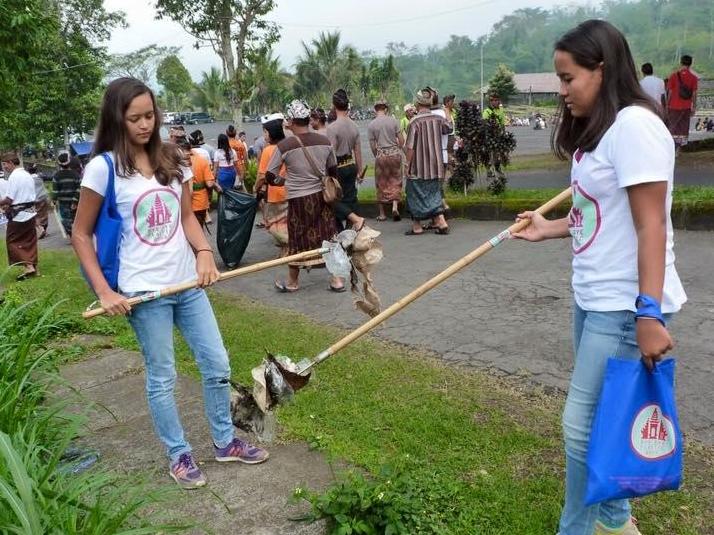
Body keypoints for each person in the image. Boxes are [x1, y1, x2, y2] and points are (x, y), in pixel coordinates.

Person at [513, 20, 685, 535]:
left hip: (625, 305)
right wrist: (550, 228)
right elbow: (600, 213)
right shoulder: (606, 131)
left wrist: (648, 312)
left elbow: (651, 223)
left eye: (569, 79)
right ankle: (616, 521)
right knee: (598, 423)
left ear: (602, 70)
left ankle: (577, 530)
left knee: (582, 429)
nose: (561, 91)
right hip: (593, 297)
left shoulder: (636, 126)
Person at [71, 77, 268, 490]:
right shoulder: (103, 167)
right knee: (163, 375)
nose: (145, 125)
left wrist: (204, 255)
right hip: (143, 293)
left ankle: (224, 441)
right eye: (134, 119)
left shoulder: (174, 160)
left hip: (186, 285)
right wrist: (106, 292)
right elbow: (80, 234)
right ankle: (178, 454)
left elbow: (187, 218)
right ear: (116, 120)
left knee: (217, 364)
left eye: (150, 116)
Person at [265, 99, 343, 292]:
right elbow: (333, 170)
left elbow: (270, 175)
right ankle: (336, 280)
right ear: (308, 119)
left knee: (297, 239)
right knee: (328, 236)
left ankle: (293, 282)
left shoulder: (284, 146)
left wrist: (284, 182)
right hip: (321, 196)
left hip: (298, 199)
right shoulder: (324, 142)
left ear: (291, 121)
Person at [403, 89, 450, 236]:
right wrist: (446, 110)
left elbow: (410, 147)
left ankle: (417, 226)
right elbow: (449, 128)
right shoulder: (438, 119)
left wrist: (407, 164)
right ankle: (441, 222)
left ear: (417, 104)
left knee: (414, 194)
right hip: (436, 166)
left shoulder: (414, 122)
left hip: (418, 167)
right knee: (434, 194)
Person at [326, 89, 365, 231]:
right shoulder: (354, 126)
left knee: (334, 200)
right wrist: (360, 171)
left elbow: (331, 154)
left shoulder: (332, 128)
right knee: (350, 198)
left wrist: (328, 174)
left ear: (334, 105)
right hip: (351, 165)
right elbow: (358, 151)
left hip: (339, 168)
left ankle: (344, 230)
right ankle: (351, 230)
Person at [254, 113, 289, 256]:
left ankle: (289, 244)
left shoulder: (268, 150)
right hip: (289, 190)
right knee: (286, 222)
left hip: (274, 193)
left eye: (265, 132)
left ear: (269, 133)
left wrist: (255, 188)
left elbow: (262, 175)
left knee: (273, 225)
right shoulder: (288, 145)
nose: (264, 135)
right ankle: (286, 248)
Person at [0, 151, 38, 280]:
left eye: (5, 164)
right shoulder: (27, 174)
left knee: (13, 241)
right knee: (29, 240)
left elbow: (9, 199)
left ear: (11, 163)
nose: (4, 167)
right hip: (31, 212)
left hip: (19, 215)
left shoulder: (14, 177)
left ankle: (29, 267)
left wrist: (2, 203)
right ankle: (32, 266)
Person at [367, 99, 404, 221]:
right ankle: (394, 205)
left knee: (381, 182)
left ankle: (382, 213)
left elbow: (373, 146)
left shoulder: (372, 125)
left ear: (375, 109)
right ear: (386, 109)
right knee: (396, 179)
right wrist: (395, 149)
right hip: (394, 154)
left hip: (381, 156)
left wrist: (377, 155)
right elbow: (402, 141)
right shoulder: (393, 121)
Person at [177, 135, 214, 229]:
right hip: (200, 203)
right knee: (198, 230)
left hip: (181, 205)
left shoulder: (174, 163)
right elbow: (209, 184)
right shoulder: (202, 160)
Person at [666, 55, 698, 148]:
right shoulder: (693, 78)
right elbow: (694, 94)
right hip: (686, 106)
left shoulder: (673, 76)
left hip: (674, 106)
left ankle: (672, 146)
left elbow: (670, 92)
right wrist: (694, 106)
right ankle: (680, 147)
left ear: (681, 62)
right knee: (683, 127)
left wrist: (667, 105)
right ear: (690, 64)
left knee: (673, 126)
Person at [52, 151, 82, 238]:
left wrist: (54, 200)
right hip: (75, 202)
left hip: (63, 203)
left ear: (59, 163)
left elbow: (55, 192)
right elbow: (79, 189)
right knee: (75, 219)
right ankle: (77, 235)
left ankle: (71, 235)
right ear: (69, 162)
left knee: (66, 220)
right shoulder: (76, 175)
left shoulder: (56, 176)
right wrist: (75, 201)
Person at [482, 92, 507, 180]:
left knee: (498, 155)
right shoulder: (487, 111)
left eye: (497, 100)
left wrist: (504, 133)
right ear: (490, 101)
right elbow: (484, 124)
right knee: (489, 154)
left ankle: (497, 168)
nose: (496, 102)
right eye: (494, 100)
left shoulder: (501, 110)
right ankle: (489, 171)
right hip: (489, 136)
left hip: (498, 135)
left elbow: (502, 123)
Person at [27, 163, 50, 239]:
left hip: (34, 200)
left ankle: (40, 230)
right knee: (44, 215)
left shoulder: (27, 179)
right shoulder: (40, 176)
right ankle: (44, 230)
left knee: (36, 216)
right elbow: (49, 177)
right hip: (43, 197)